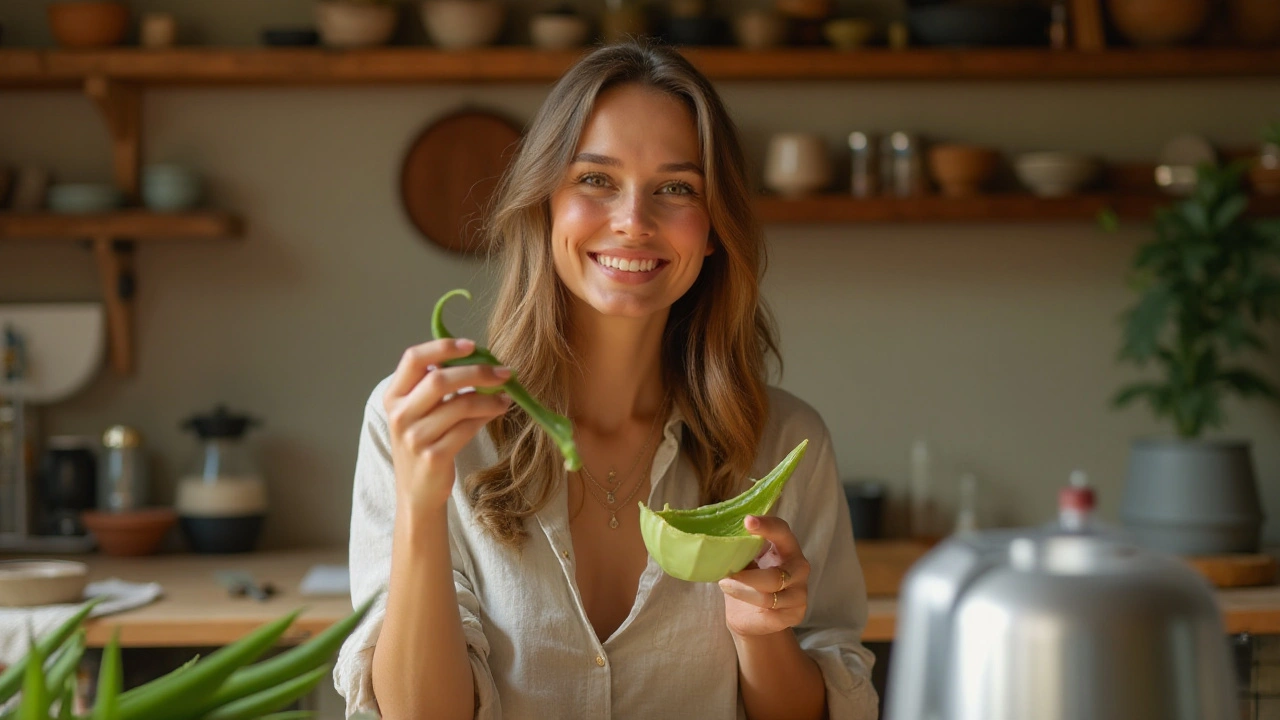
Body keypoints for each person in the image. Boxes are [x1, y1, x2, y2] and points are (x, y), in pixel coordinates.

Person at [335, 40, 877, 720]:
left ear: (713, 230)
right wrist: (419, 507)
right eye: (595, 180)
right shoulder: (414, 424)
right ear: (546, 204)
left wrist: (760, 631)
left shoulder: (787, 443)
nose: (632, 221)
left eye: (676, 189)